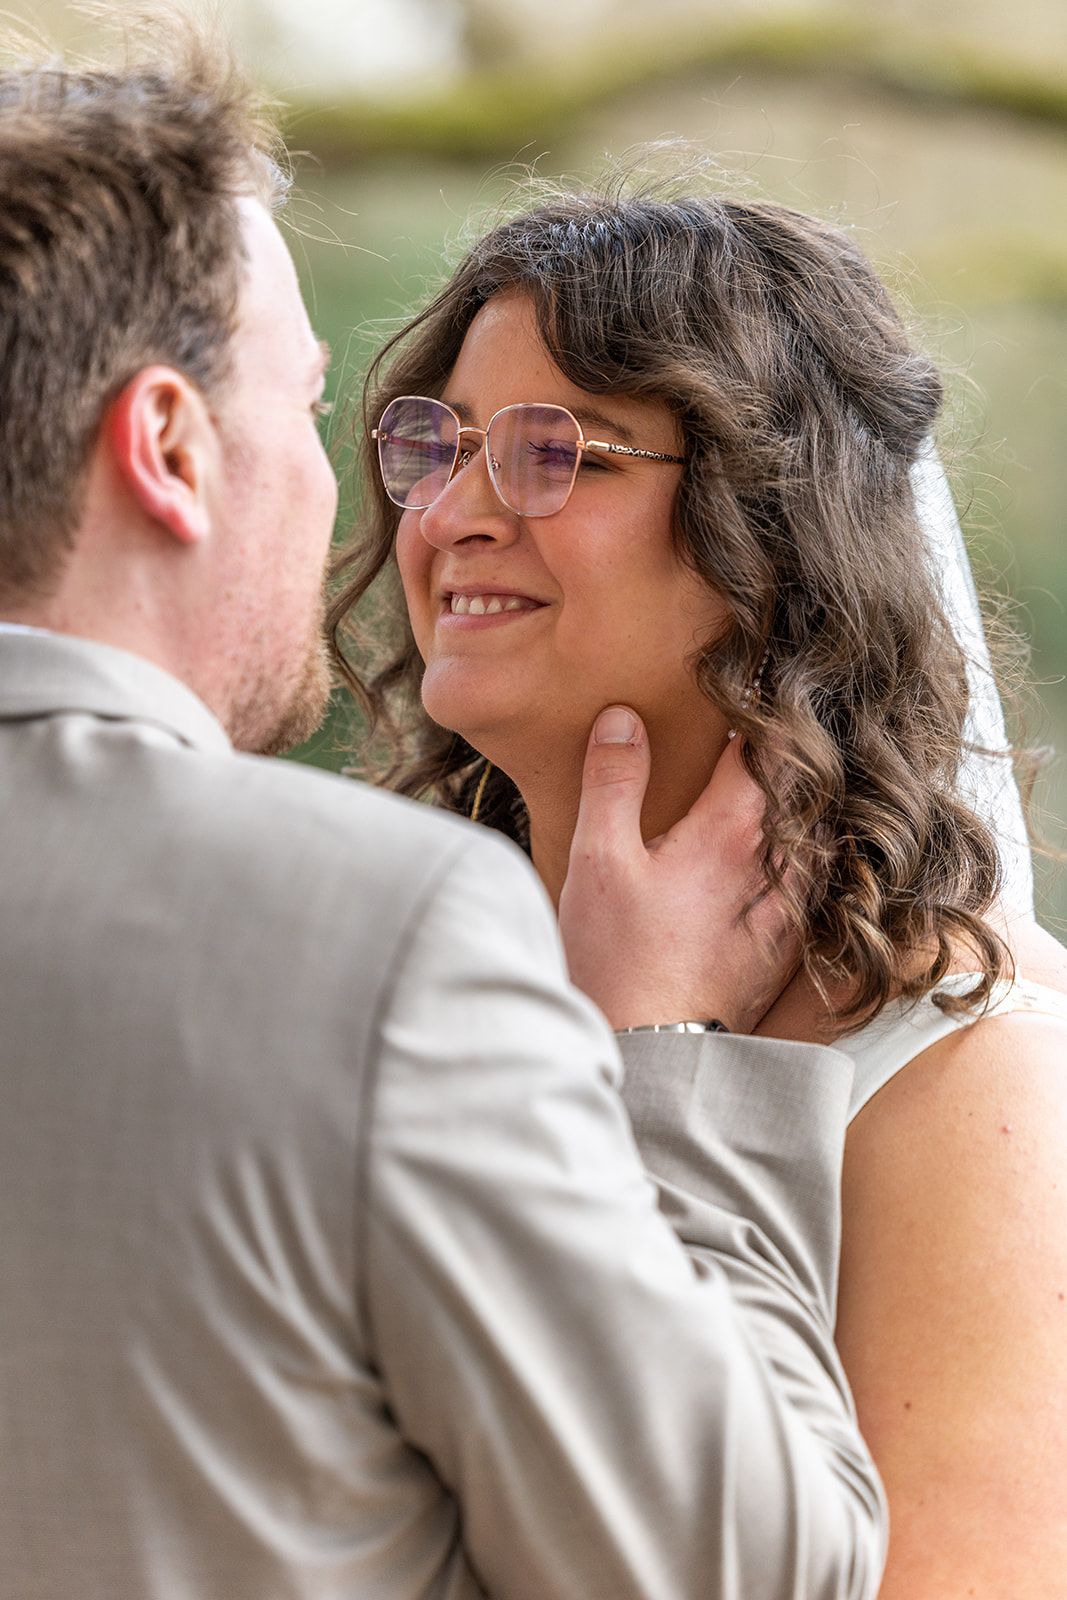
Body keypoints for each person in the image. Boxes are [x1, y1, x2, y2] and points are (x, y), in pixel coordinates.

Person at [0, 17, 890, 1600]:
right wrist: (665, 1066)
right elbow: (740, 1567)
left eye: (557, 452)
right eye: (343, 417)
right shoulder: (378, 934)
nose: (422, 511)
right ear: (169, 449)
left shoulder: (973, 1037)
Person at [331, 180, 1067, 1598]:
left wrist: (652, 1056)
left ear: (770, 527)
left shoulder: (979, 1066)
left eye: (560, 453)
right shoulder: (397, 990)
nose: (453, 516)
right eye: (443, 446)